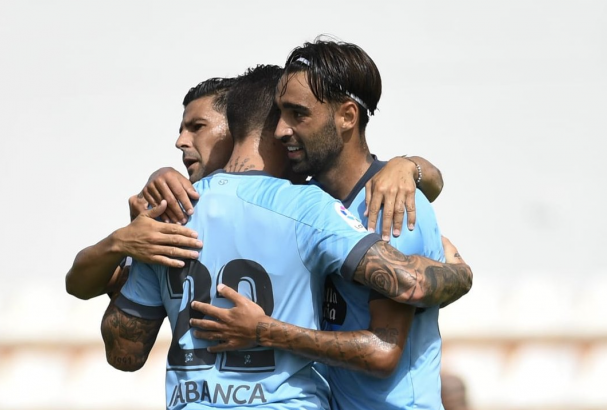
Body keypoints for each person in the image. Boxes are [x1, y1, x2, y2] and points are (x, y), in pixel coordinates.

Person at [101, 64, 471, 410]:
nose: (290, 131)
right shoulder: (310, 207)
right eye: (289, 117)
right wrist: (459, 272)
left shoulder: (165, 218)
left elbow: (124, 355)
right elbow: (407, 285)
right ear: (272, 125)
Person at [64, 77, 237, 300]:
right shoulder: (176, 207)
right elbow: (78, 286)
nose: (180, 141)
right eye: (182, 129)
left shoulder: (290, 200)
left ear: (239, 129)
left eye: (197, 127)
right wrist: (121, 242)